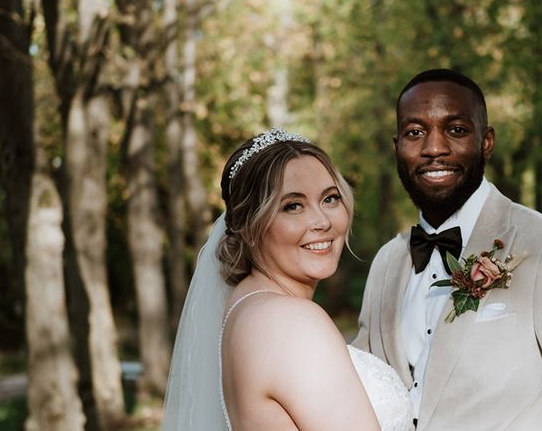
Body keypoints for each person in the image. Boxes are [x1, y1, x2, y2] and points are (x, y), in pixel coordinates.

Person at [353, 69, 542, 430]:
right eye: (415, 133)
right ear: (396, 145)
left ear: (486, 142)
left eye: (456, 130)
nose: (433, 148)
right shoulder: (387, 262)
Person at [162, 128, 413, 431]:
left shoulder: (247, 306)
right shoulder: (289, 319)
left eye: (330, 198)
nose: (322, 221)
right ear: (248, 226)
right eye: (293, 206)